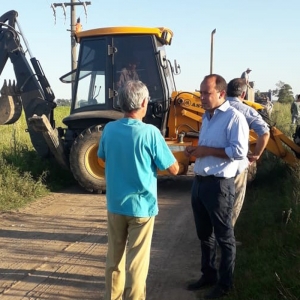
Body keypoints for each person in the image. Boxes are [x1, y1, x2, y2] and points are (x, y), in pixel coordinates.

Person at [97, 80, 179, 300]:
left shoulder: (110, 129)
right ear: (143, 102)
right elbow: (173, 168)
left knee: (114, 260)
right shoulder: (150, 133)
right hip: (141, 208)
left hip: (115, 205)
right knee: (137, 264)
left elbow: (102, 156)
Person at [185, 74, 249, 299]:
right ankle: (208, 274)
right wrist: (195, 151)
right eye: (201, 92)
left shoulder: (234, 118)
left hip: (220, 185)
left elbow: (239, 152)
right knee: (204, 234)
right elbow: (208, 147)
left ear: (221, 94)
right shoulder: (207, 117)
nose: (201, 97)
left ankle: (225, 284)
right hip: (200, 182)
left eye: (206, 93)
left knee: (224, 236)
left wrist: (206, 151)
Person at [226, 78, 270, 226]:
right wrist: (256, 154)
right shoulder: (246, 110)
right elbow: (264, 132)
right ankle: (227, 236)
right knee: (234, 200)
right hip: (237, 163)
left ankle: (213, 235)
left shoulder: (215, 108)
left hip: (215, 162)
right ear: (243, 94)